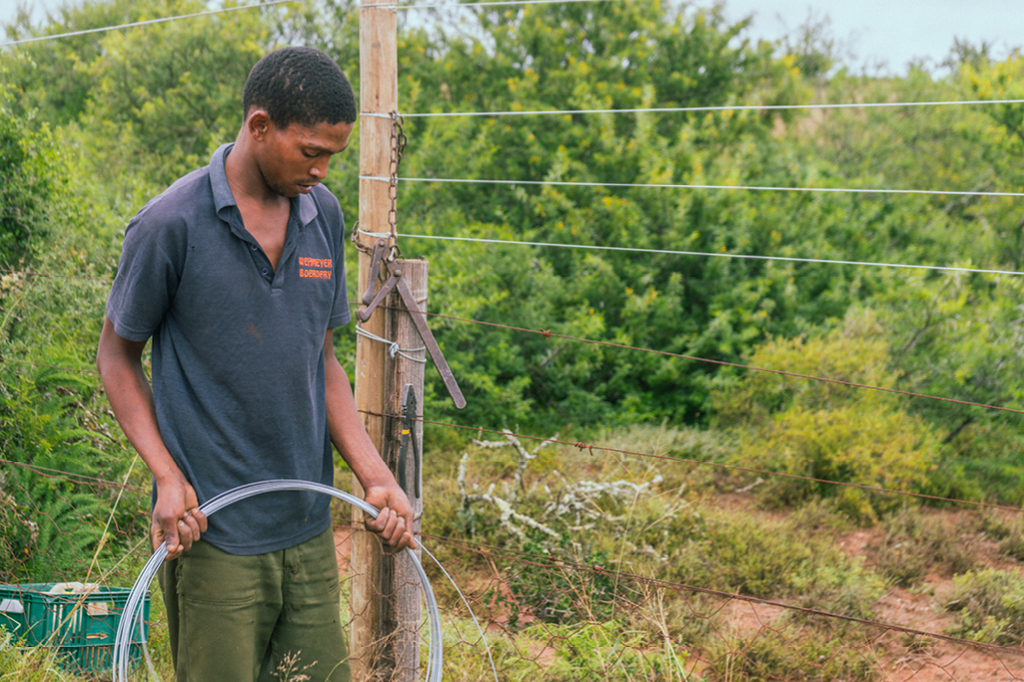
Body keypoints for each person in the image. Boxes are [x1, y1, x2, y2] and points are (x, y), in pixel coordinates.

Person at [95, 46, 414, 682]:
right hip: (212, 532)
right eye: (310, 152)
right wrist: (164, 474)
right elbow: (116, 356)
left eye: (333, 157)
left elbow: (322, 360)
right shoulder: (170, 225)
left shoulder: (321, 215)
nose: (323, 171)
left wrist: (373, 474)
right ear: (259, 125)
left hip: (305, 527)